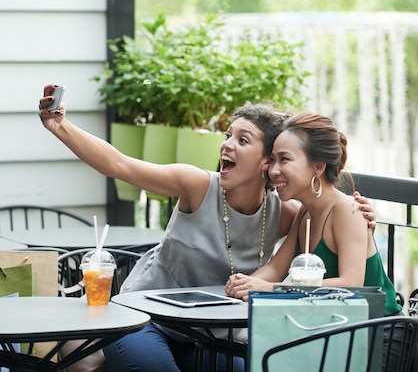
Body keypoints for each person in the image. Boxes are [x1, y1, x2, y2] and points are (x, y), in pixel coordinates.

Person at [38, 85, 375, 372]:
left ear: (267, 162)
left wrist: (364, 218)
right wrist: (60, 126)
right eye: (228, 135)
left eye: (242, 140)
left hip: (208, 331)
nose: (227, 144)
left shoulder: (286, 212)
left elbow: (325, 207)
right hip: (143, 318)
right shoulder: (198, 185)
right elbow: (119, 164)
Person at [225, 112, 415, 371]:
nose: (273, 170)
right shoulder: (305, 213)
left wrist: (269, 290)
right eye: (273, 160)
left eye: (284, 160)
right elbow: (276, 268)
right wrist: (245, 284)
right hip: (334, 331)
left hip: (378, 336)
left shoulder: (348, 210)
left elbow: (350, 284)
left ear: (317, 167)